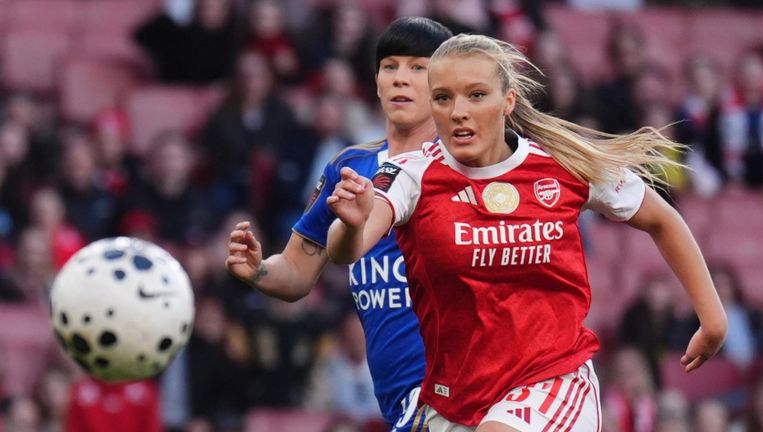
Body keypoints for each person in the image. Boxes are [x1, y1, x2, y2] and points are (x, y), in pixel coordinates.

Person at [326, 34, 728, 431]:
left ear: (508, 101)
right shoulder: (410, 174)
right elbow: (346, 250)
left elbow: (661, 218)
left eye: (476, 95)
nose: (459, 111)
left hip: (554, 381)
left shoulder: (562, 165)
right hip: (456, 400)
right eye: (443, 98)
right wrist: (352, 223)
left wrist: (713, 319)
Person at [225, 17, 452, 431]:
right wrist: (258, 271)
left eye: (418, 67)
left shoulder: (467, 168)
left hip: (458, 396)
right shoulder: (350, 167)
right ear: (377, 83)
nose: (400, 78)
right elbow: (296, 273)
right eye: (390, 66)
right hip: (399, 403)